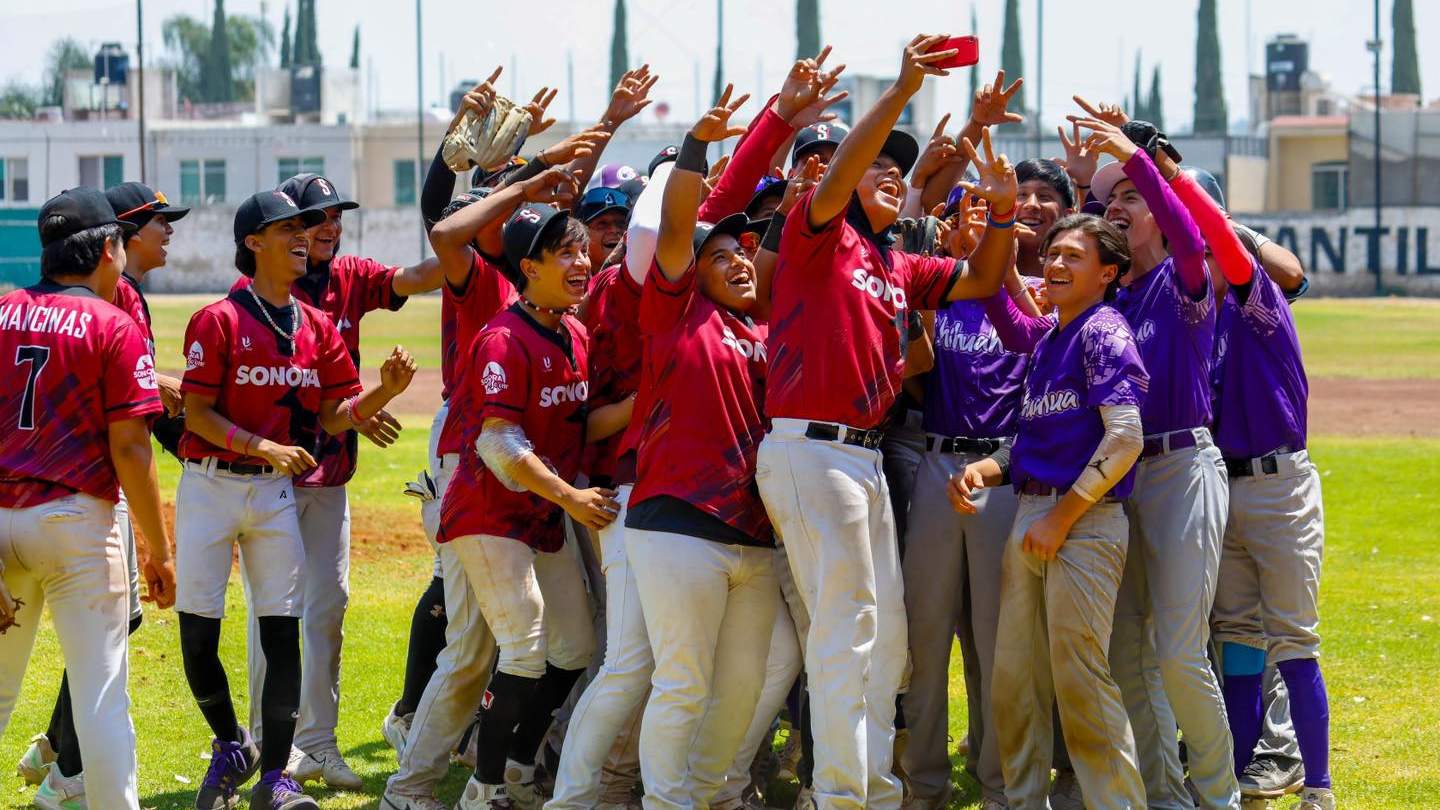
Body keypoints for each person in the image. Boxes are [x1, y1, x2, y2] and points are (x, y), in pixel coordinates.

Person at [755, 34, 1020, 810]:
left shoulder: (892, 263)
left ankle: (869, 788)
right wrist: (904, 89)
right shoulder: (819, 234)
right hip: (812, 448)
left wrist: (1002, 211)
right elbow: (840, 172)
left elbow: (979, 281)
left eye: (898, 172)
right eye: (881, 167)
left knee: (888, 640)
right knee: (846, 632)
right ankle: (842, 796)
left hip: (862, 457)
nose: (891, 175)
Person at [174, 189, 415, 810]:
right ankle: (231, 742)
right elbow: (196, 414)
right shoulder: (219, 319)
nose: (303, 238)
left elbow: (337, 416)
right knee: (199, 637)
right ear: (253, 242)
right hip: (210, 485)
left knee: (284, 636)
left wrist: (382, 394)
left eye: (305, 230)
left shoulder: (317, 328)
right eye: (288, 230)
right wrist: (265, 447)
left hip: (273, 493)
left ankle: (275, 779)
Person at [229, 171, 451, 789]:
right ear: (284, 231)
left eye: (334, 216)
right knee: (274, 611)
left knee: (328, 607)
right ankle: (267, 743)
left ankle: (318, 743)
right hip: (269, 476)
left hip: (329, 473)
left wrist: (473, 231)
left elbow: (415, 277)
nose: (328, 227)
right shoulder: (258, 294)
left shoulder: (349, 276)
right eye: (313, 217)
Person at [1065, 109, 1238, 809]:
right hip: (1120, 476)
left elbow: (1187, 227)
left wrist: (1136, 159)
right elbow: (1083, 249)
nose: (1119, 205)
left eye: (1129, 198)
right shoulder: (1118, 294)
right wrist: (1088, 187)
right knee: (1126, 653)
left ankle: (1220, 796)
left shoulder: (1183, 274)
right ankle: (1166, 795)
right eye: (1112, 200)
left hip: (1180, 467)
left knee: (1177, 650)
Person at [440, 200, 634, 810]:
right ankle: (483, 788)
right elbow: (499, 443)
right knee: (523, 651)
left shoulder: (574, 331)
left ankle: (518, 767)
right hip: (489, 515)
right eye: (567, 253)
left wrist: (650, 387)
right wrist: (572, 496)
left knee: (574, 650)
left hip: (540, 515)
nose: (583, 262)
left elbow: (584, 423)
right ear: (529, 267)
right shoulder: (502, 338)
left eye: (584, 250)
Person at [619, 86, 779, 810]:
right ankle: (666, 802)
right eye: (722, 256)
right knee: (682, 680)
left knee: (742, 683)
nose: (739, 262)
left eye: (745, 254)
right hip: (677, 521)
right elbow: (682, 224)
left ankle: (708, 794)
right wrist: (696, 149)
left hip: (752, 533)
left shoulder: (765, 331)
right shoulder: (673, 309)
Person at [0, 187, 177, 810]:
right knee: (102, 697)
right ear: (108, 247)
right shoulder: (113, 322)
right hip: (76, 520)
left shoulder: (1, 310)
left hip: (2, 522)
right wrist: (157, 550)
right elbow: (132, 450)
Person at [1166, 170, 1335, 810]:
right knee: (1236, 636)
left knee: (1293, 636)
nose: (1202, 259)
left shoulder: (1258, 299)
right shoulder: (1194, 317)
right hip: (1220, 486)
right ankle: (1233, 778)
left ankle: (1317, 786)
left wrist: (1174, 180)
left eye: (1208, 245)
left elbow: (1234, 253)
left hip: (1278, 485)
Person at [970, 212, 1150, 809]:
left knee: (1080, 679)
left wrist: (1062, 518)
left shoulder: (1104, 330)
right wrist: (988, 468)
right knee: (1014, 676)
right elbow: (1035, 440)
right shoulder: (1052, 337)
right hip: (1035, 512)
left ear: (1107, 273)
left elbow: (1125, 440)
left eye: (1073, 256)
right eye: (1051, 254)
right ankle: (1023, 801)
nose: (1055, 264)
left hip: (1082, 522)